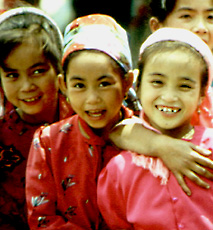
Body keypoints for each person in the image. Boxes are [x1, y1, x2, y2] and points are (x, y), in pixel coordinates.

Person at [26, 14, 134, 229]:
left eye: (104, 84)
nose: (92, 99)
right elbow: (42, 218)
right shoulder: (48, 143)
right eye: (79, 85)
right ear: (63, 86)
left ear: (127, 83)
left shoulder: (147, 138)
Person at [97, 28, 213, 229]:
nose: (169, 96)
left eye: (184, 86)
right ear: (138, 86)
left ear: (202, 94)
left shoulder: (209, 150)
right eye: (157, 82)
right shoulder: (119, 169)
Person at [109, 0, 213, 195]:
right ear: (157, 27)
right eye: (186, 16)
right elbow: (118, 129)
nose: (201, 28)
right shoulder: (146, 90)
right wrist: (164, 146)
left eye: (210, 17)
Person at [0, 7, 74, 229]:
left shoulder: (83, 121)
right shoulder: (2, 135)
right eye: (12, 75)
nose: (26, 86)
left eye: (38, 71)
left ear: (58, 69)